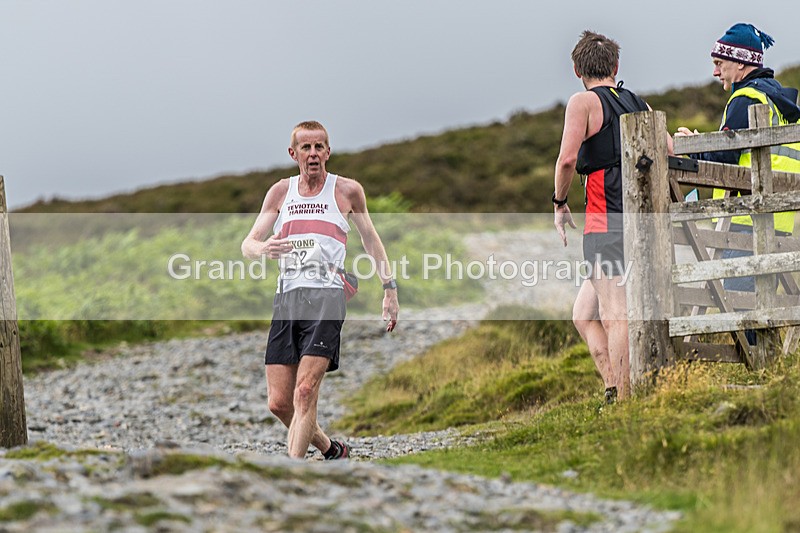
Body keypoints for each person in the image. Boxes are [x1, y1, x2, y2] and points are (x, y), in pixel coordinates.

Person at [242, 121, 399, 459]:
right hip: (287, 298)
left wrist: (389, 288)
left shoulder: (346, 191)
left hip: (327, 296)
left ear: (328, 151)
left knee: (305, 391)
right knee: (279, 403)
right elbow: (248, 243)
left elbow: (370, 239)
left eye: (319, 147)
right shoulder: (280, 193)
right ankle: (331, 449)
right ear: (293, 153)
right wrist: (263, 248)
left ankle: (291, 474)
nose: (312, 154)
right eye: (306, 147)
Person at [676, 23, 800, 344]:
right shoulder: (781, 103)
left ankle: (760, 370)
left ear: (742, 63)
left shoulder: (745, 99)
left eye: (720, 63)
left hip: (744, 218)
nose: (715, 71)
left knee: (738, 302)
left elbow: (723, 158)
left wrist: (694, 144)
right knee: (761, 301)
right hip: (779, 219)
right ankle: (770, 370)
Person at [553, 31, 660, 402]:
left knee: (616, 312)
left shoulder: (582, 103)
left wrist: (558, 201)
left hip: (604, 217)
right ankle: (613, 386)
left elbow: (567, 160)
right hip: (642, 218)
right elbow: (668, 149)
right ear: (616, 66)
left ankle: (627, 401)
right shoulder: (640, 104)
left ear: (576, 69)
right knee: (583, 314)